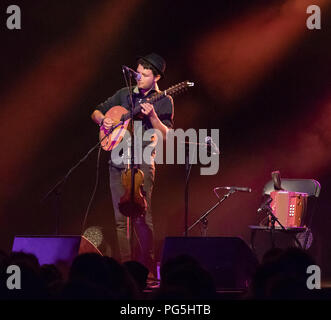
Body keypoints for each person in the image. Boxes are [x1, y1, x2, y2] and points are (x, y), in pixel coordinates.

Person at [91, 53, 174, 274]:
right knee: (120, 220)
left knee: (141, 218)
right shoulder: (123, 94)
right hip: (117, 160)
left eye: (145, 75)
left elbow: (166, 135)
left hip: (143, 162)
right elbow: (96, 111)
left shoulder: (164, 99)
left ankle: (146, 269)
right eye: (138, 73)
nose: (139, 78)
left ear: (156, 77)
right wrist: (103, 119)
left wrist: (154, 117)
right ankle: (126, 269)